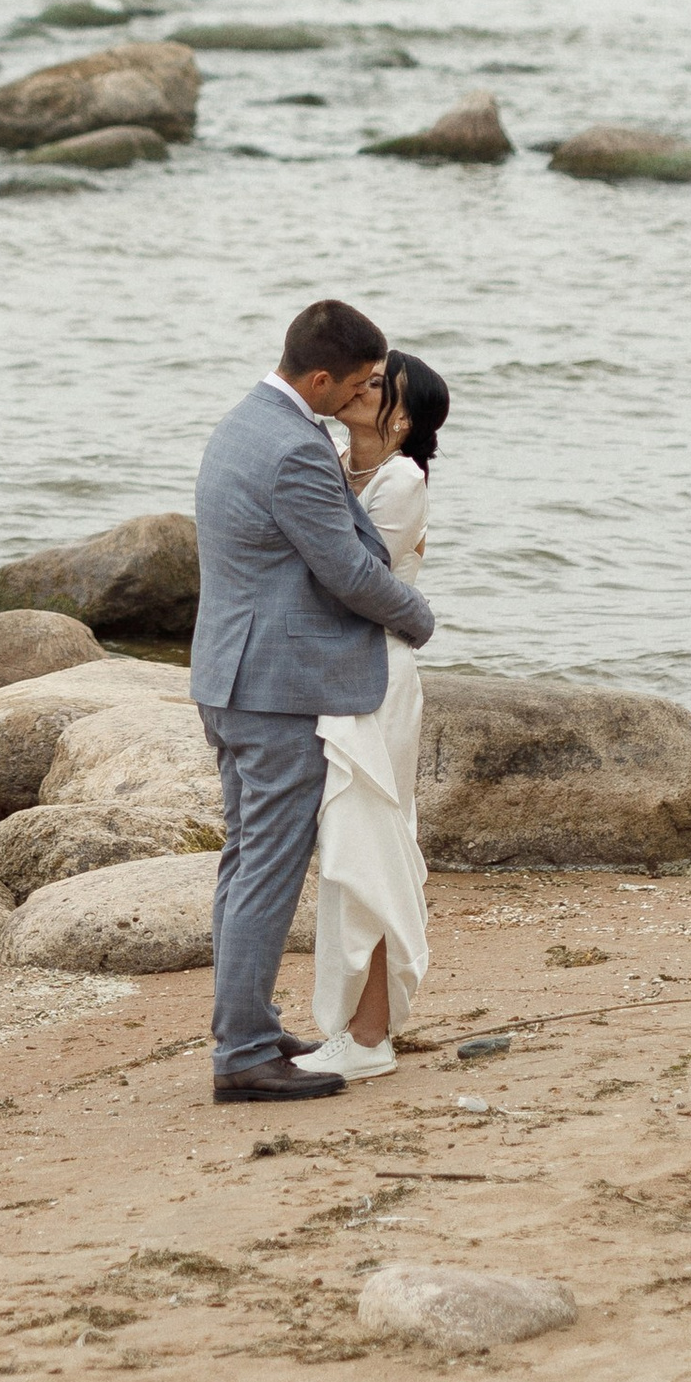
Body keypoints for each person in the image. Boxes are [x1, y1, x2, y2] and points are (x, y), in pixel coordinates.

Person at [190, 296, 435, 1104]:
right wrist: (418, 618)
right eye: (359, 382)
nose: (365, 394)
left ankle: (251, 1029)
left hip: (230, 675)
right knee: (266, 869)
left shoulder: (244, 422)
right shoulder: (297, 449)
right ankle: (242, 1055)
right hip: (275, 690)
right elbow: (349, 571)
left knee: (244, 861)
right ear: (321, 378)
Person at [289, 350, 450, 1085]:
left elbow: (351, 581)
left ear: (405, 419)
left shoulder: (402, 480)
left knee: (371, 846)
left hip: (378, 676)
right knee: (347, 851)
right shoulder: (332, 461)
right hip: (341, 674)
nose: (362, 386)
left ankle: (370, 1034)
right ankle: (351, 1026)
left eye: (381, 385)